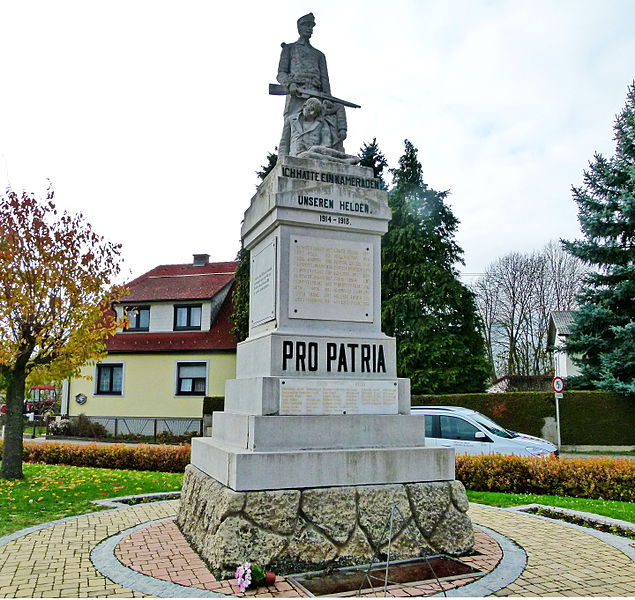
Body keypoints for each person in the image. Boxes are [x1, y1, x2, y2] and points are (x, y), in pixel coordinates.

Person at [277, 13, 347, 157]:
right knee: (291, 128)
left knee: (324, 125)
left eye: (311, 26)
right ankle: (285, 159)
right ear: (299, 27)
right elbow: (281, 74)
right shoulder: (289, 49)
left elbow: (324, 80)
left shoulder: (319, 55)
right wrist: (290, 84)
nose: (310, 29)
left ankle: (326, 156)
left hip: (317, 96)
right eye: (306, 25)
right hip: (297, 95)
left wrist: (328, 99)